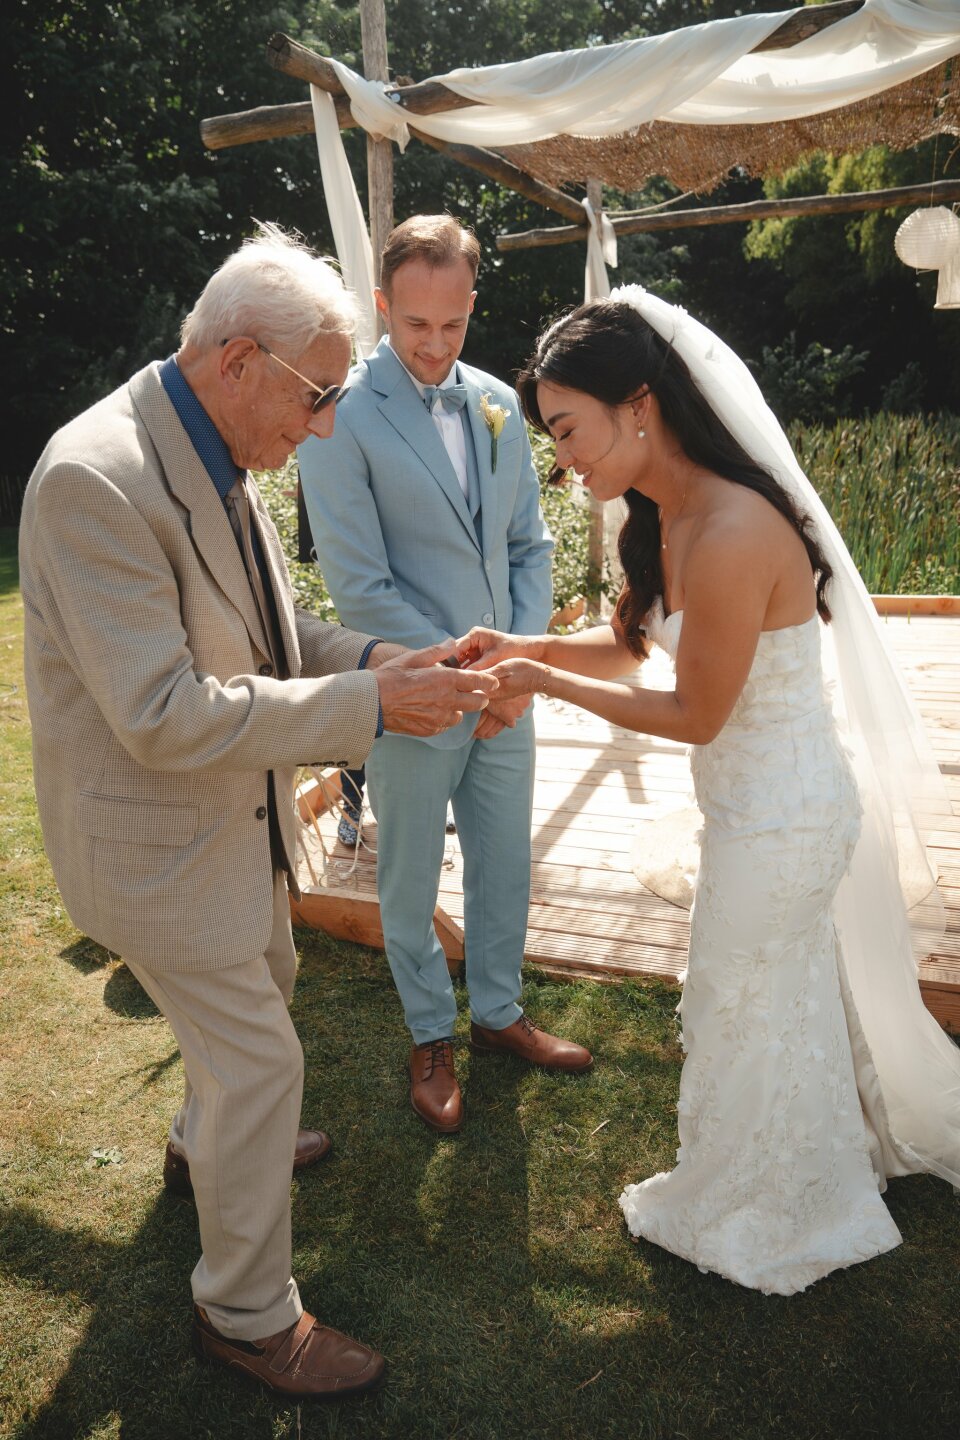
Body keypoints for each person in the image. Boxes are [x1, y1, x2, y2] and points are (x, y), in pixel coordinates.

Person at [18, 222, 498, 1398]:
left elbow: (274, 648)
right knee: (261, 1061)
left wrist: (394, 657)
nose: (328, 420)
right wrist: (374, 707)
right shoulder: (95, 477)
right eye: (320, 392)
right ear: (240, 361)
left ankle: (204, 1150)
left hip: (229, 830)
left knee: (267, 989)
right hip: (157, 850)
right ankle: (243, 1314)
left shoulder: (216, 443)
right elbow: (163, 714)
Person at [454, 286, 960, 1296]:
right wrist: (524, 645)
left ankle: (774, 1208)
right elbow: (634, 644)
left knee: (740, 1003)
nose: (565, 459)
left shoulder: (731, 530)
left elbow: (696, 712)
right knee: (773, 1002)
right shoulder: (665, 513)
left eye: (569, 429)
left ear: (639, 403)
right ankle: (797, 1174)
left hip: (785, 816)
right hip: (755, 808)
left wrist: (542, 684)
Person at [299, 214, 592, 1137]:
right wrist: (464, 679)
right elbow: (357, 582)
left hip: (509, 692)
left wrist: (519, 666)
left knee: (506, 862)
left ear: (472, 307)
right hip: (416, 696)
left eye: (453, 326)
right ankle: (431, 1034)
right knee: (408, 874)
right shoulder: (341, 414)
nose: (434, 347)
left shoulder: (498, 402)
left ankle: (500, 1013)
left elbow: (529, 546)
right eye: (415, 326)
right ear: (383, 306)